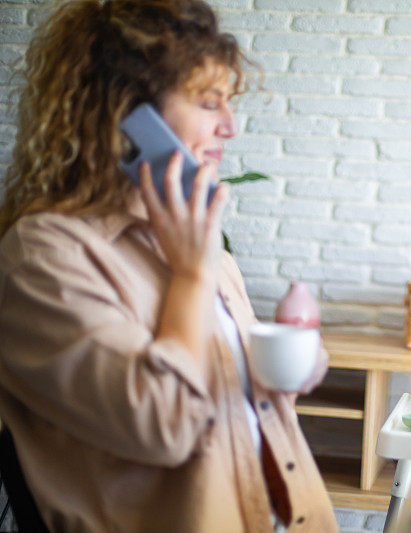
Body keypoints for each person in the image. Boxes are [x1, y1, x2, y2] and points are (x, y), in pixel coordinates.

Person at [0, 1, 337, 531]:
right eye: (209, 102)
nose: (230, 126)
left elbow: (235, 395)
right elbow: (166, 425)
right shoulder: (45, 255)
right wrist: (193, 276)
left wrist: (287, 369)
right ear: (129, 117)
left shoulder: (201, 249)